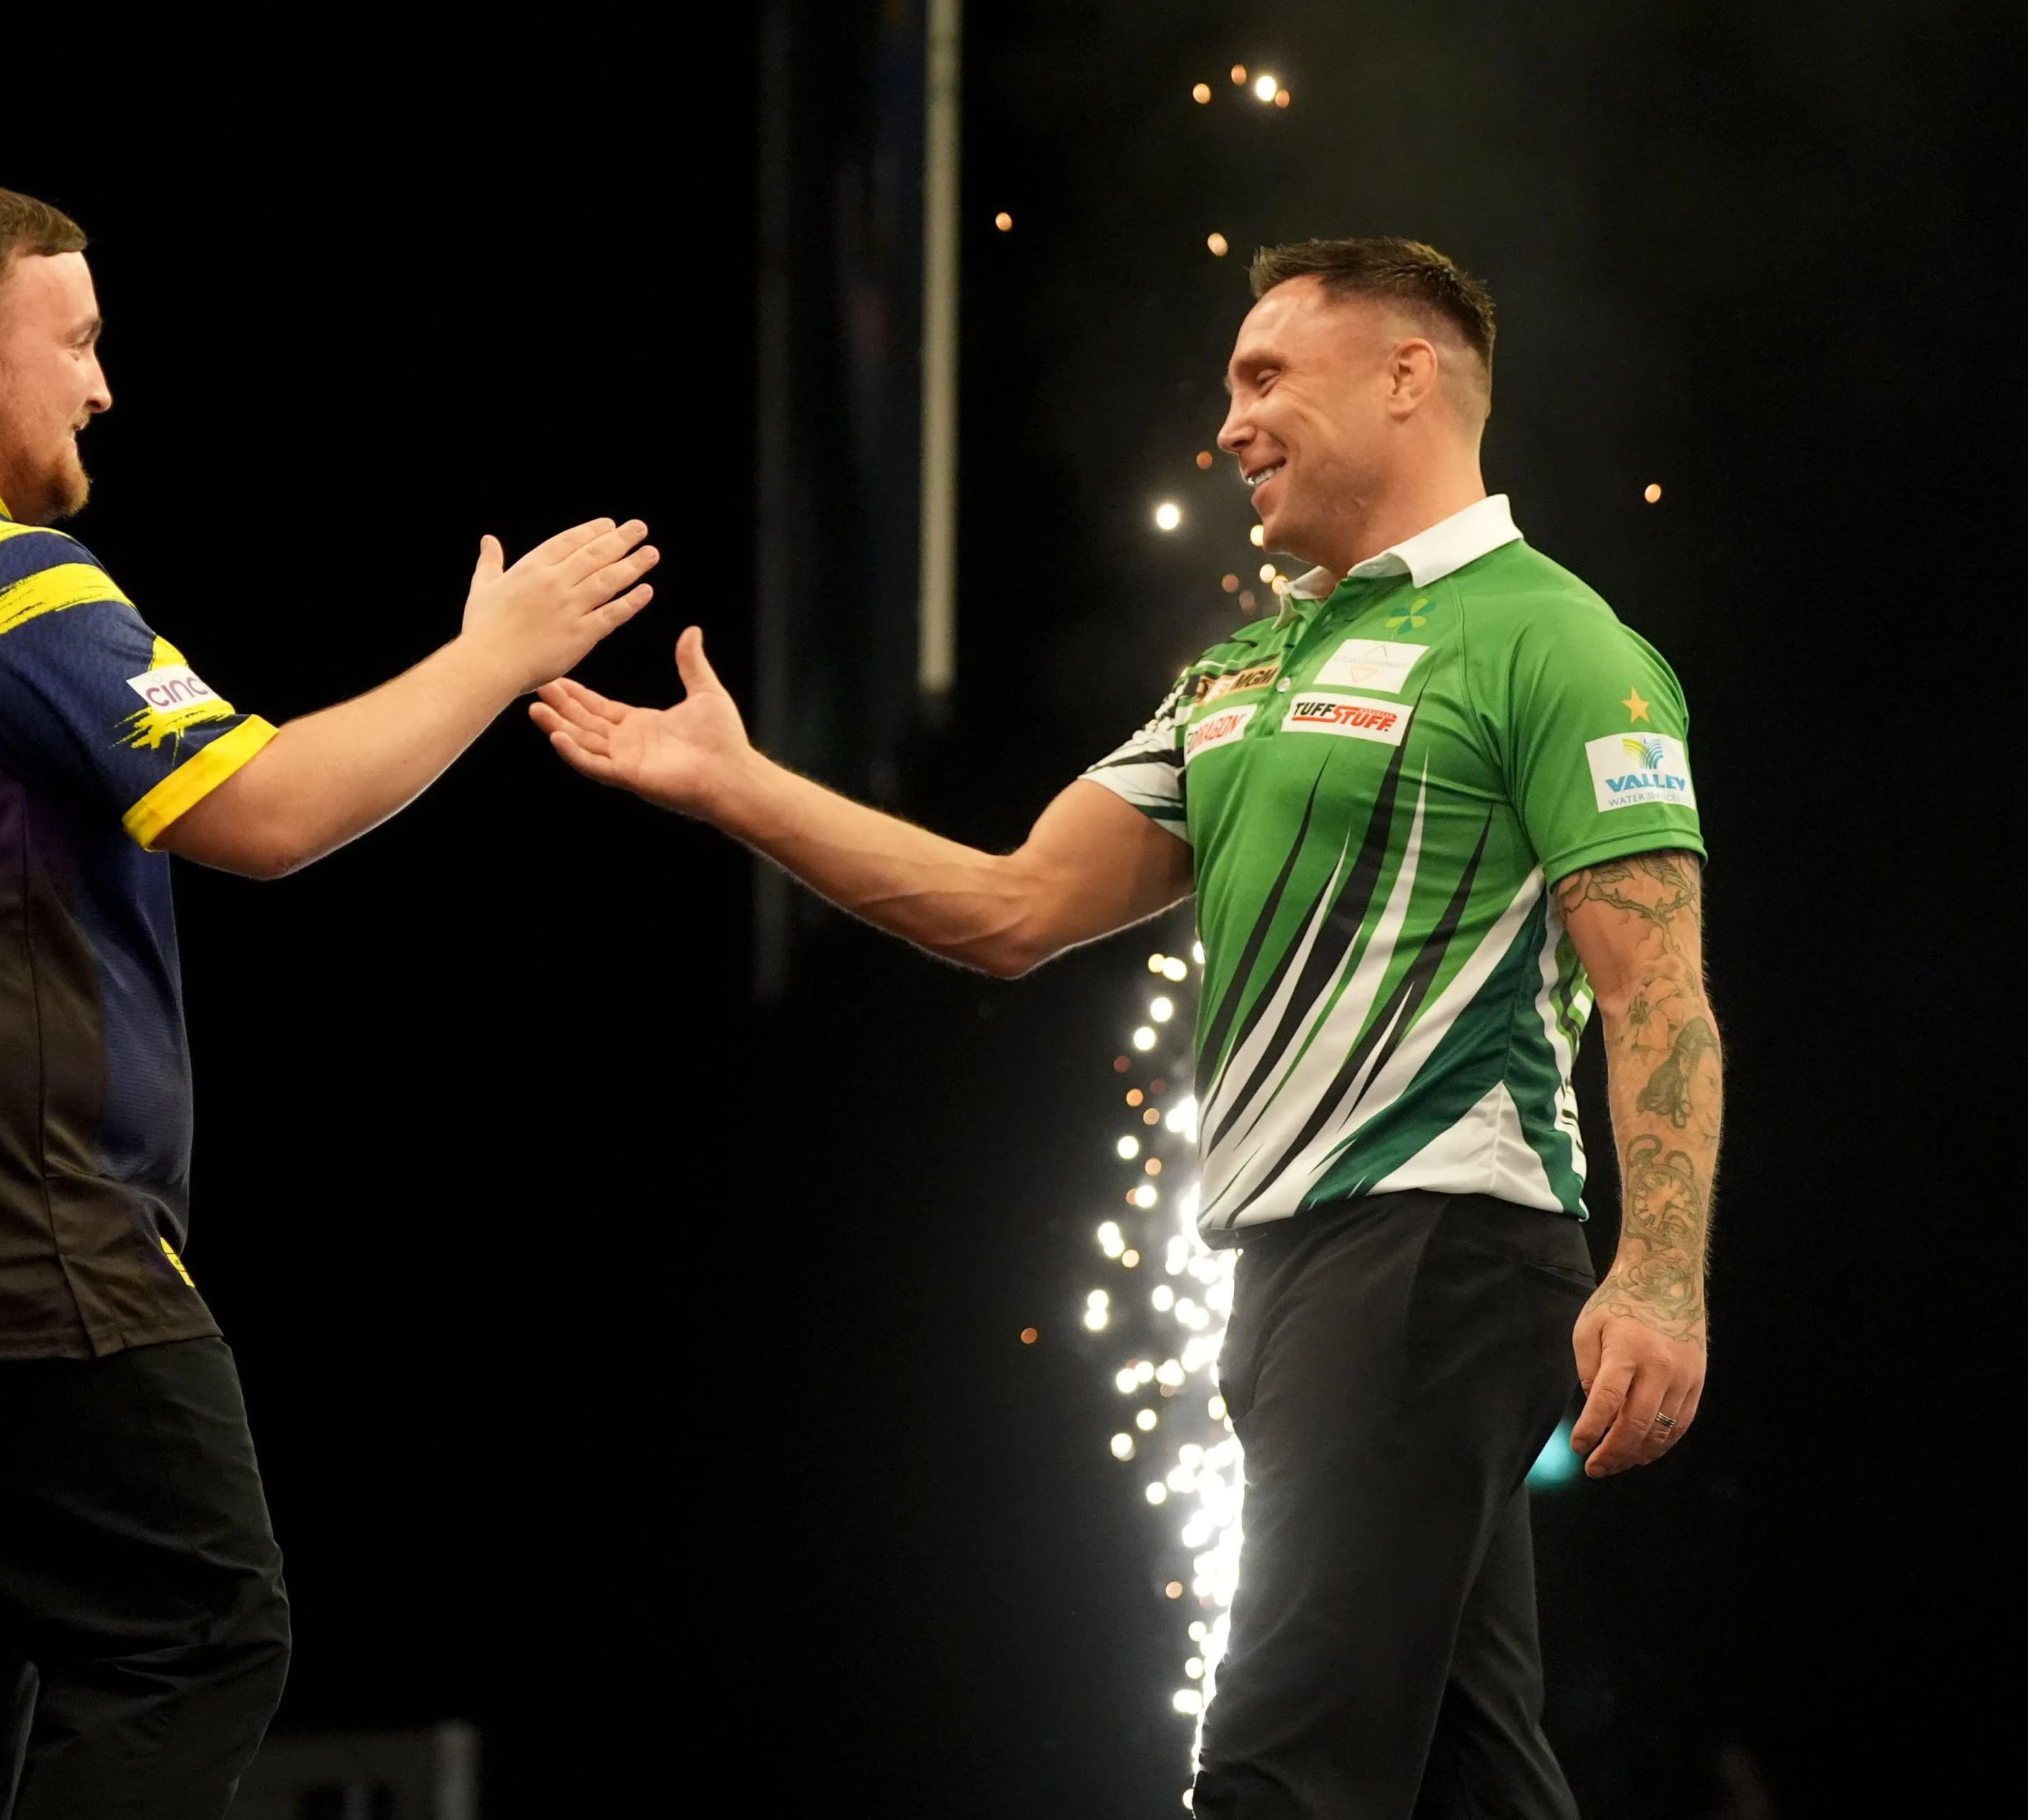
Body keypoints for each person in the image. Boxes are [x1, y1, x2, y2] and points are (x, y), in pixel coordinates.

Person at [530, 238, 1719, 1819]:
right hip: (1292, 1280)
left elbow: (1657, 990)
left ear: (1407, 377)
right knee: (1469, 1776)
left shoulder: (1554, 640)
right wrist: (737, 787)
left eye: (1265, 376)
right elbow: (1011, 904)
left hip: (1434, 1247)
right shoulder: (1241, 670)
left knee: (1274, 1773)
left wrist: (1662, 1271)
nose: (1229, 425)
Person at [0, 175, 657, 1818]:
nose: (105, 385)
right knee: (202, 1630)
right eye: (81, 341)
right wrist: (498, 652)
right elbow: (266, 812)